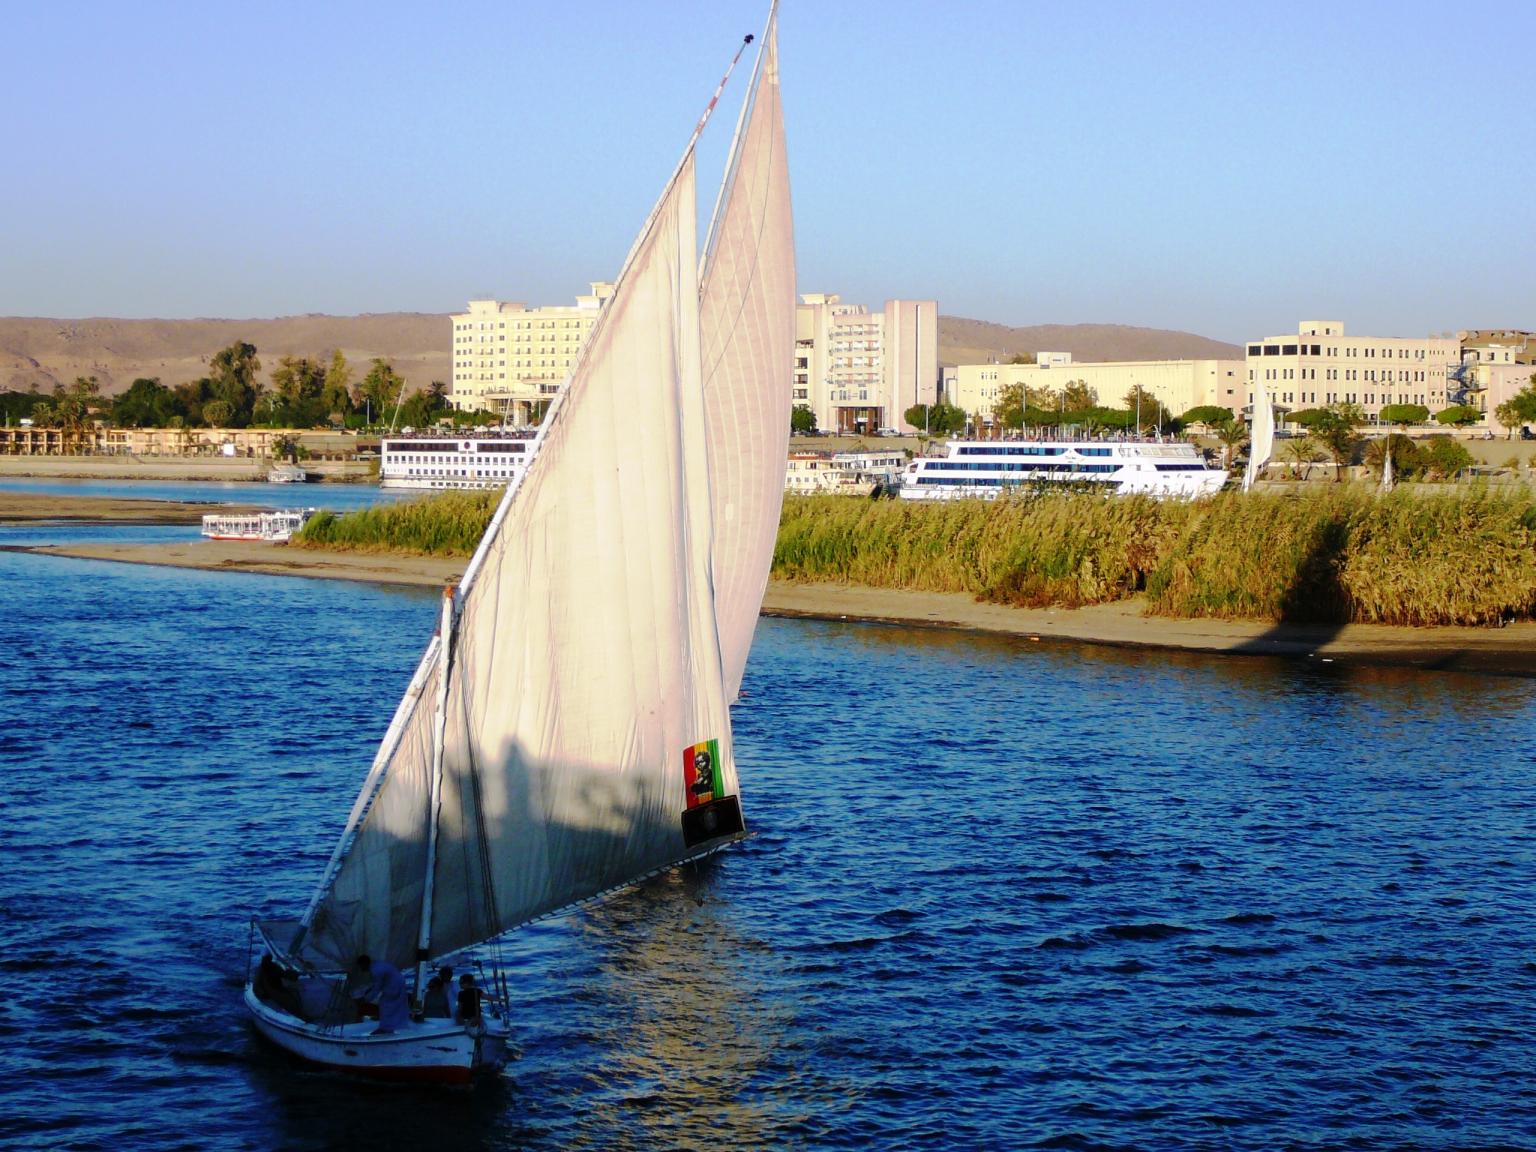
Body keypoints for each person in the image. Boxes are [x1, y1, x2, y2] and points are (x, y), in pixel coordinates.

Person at [354, 954, 410, 1034]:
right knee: (387, 1005)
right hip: (397, 983)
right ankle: (389, 1026)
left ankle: (386, 1028)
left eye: (360, 966)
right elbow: (375, 985)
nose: (360, 968)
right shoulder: (377, 965)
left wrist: (366, 999)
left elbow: (377, 988)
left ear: (364, 964)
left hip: (394, 986)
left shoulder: (376, 971)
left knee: (385, 1005)